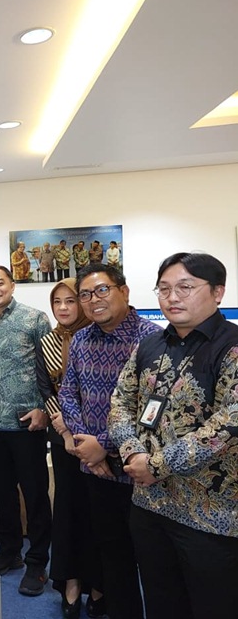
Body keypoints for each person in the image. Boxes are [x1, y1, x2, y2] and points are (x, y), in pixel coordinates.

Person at [109, 252, 238, 618]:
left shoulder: (231, 346)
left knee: (215, 605)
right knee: (162, 600)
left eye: (185, 287)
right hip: (150, 504)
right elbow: (120, 401)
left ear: (217, 292)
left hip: (212, 514)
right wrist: (134, 454)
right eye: (164, 289)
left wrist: (158, 464)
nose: (172, 297)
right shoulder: (151, 344)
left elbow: (229, 424)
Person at [59, 263, 161, 619]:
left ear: (124, 291)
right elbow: (68, 392)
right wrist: (89, 448)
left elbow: (154, 408)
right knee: (112, 556)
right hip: (95, 472)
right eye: (85, 294)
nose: (93, 300)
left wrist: (104, 444)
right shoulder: (82, 340)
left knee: (153, 561)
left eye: (101, 290)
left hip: (142, 472)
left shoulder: (153, 339)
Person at [0, 265, 52, 596]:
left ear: (12, 285)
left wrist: (45, 409)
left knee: (35, 494)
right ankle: (9, 551)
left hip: (27, 422)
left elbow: (49, 370)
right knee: (2, 492)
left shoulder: (35, 319)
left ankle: (37, 562)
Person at [35, 279, 101, 618]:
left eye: (70, 301)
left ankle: (99, 583)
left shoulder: (97, 335)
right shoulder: (46, 341)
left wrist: (91, 435)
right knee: (68, 508)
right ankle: (70, 581)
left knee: (99, 511)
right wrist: (62, 430)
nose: (63, 308)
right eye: (57, 302)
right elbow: (46, 388)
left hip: (101, 439)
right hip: (63, 438)